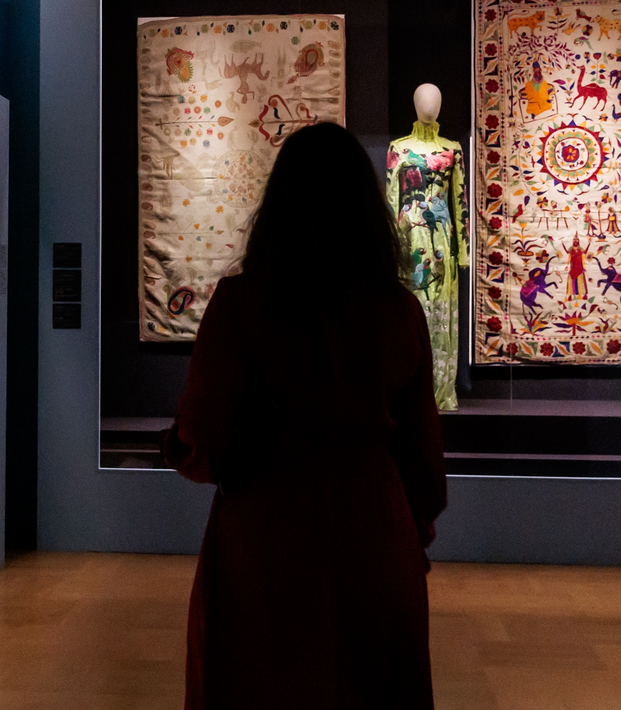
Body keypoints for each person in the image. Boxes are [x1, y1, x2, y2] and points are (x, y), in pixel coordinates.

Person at [162, 122, 447, 709]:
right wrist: (409, 535)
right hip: (375, 525)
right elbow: (423, 458)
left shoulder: (241, 305)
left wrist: (187, 449)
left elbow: (202, 438)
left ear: (279, 205)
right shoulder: (398, 310)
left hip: (269, 529)